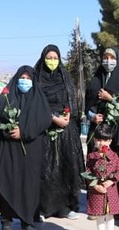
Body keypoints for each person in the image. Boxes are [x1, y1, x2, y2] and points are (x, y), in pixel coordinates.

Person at [0, 66, 53, 230]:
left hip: (30, 151)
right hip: (7, 149)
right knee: (6, 182)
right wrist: (8, 130)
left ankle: (27, 221)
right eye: (22, 78)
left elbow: (44, 120)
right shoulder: (7, 98)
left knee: (29, 186)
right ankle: (6, 221)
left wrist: (24, 131)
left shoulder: (39, 99)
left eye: (28, 78)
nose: (25, 81)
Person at [84, 47, 119, 219]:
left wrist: (111, 99)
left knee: (113, 168)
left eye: (112, 57)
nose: (108, 61)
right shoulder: (96, 80)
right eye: (105, 57)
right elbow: (88, 106)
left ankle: (115, 207)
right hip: (98, 132)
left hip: (117, 135)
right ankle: (96, 208)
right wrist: (92, 116)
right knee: (96, 167)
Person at [34, 45, 84, 221]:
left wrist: (68, 115)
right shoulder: (36, 79)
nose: (52, 61)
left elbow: (71, 100)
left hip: (65, 132)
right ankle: (42, 208)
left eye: (55, 58)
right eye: (49, 58)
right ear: (43, 59)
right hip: (44, 130)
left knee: (64, 167)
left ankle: (65, 207)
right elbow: (34, 104)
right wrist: (53, 118)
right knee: (45, 169)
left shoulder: (64, 77)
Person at [85, 123, 119, 230]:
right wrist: (95, 185)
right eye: (99, 140)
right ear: (94, 140)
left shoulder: (114, 156)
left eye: (105, 140)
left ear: (110, 141)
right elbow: (88, 173)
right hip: (97, 191)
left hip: (110, 190)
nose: (102, 143)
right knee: (100, 215)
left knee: (110, 215)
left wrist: (111, 181)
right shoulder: (92, 156)